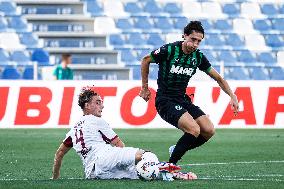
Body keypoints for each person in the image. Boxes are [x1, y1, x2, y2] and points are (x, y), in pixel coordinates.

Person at [139, 21, 239, 165]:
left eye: (199, 41)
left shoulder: (197, 57)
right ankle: (170, 165)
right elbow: (145, 60)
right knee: (193, 129)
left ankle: (177, 150)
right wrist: (144, 87)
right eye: (193, 40)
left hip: (182, 100)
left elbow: (218, 78)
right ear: (184, 36)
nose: (195, 44)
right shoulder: (169, 50)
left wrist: (232, 95)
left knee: (208, 130)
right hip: (165, 100)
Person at [52, 88, 196, 180]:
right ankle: (166, 168)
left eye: (101, 102)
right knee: (146, 155)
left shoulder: (73, 129)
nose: (102, 106)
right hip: (104, 157)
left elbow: (59, 154)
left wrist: (55, 179)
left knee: (138, 174)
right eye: (97, 102)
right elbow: (119, 145)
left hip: (92, 173)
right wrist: (128, 160)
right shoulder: (96, 120)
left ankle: (171, 174)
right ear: (87, 106)